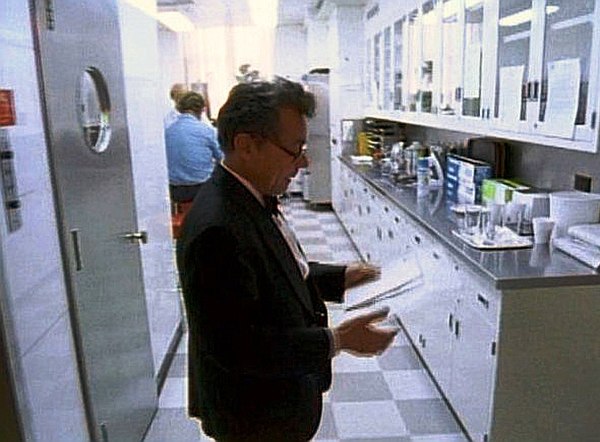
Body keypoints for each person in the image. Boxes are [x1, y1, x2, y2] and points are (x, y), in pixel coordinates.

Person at [177, 78, 399, 442]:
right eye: (294, 149)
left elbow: (278, 270)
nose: (305, 161)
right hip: (254, 414)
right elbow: (236, 346)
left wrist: (342, 276)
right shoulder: (217, 228)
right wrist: (337, 340)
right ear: (246, 145)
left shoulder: (248, 197)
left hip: (280, 396)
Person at [165, 91, 224, 203]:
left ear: (179, 108)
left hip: (174, 189)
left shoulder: (168, 131)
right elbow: (222, 159)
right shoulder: (207, 131)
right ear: (202, 110)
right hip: (201, 188)